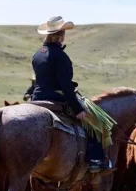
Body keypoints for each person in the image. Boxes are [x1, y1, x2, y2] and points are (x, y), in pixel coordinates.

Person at [30, 16, 108, 172]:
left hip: (37, 97)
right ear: (61, 34)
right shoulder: (60, 56)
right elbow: (65, 87)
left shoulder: (38, 54)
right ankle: (94, 160)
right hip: (55, 97)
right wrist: (78, 109)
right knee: (94, 122)